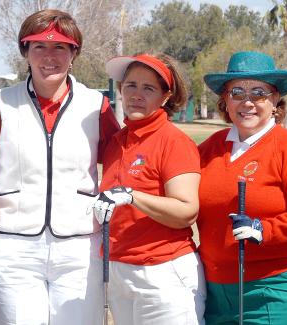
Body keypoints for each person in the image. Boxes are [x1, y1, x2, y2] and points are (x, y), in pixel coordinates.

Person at [0, 9, 120, 325]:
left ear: (74, 53)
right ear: (26, 52)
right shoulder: (1, 101)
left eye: (60, 47)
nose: (50, 56)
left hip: (78, 247)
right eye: (39, 47)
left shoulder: (95, 105)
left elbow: (124, 160)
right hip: (13, 245)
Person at [198, 51, 287, 324]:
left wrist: (265, 229)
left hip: (278, 290)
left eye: (259, 93)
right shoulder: (208, 149)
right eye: (236, 92)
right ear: (225, 101)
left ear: (275, 100)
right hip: (215, 291)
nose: (247, 102)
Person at [93, 53, 206, 325]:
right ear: (120, 89)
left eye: (149, 88)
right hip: (120, 269)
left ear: (165, 97)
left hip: (163, 273)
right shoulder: (117, 141)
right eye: (131, 85)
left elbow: (186, 211)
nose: (136, 94)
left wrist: (132, 196)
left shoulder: (174, 142)